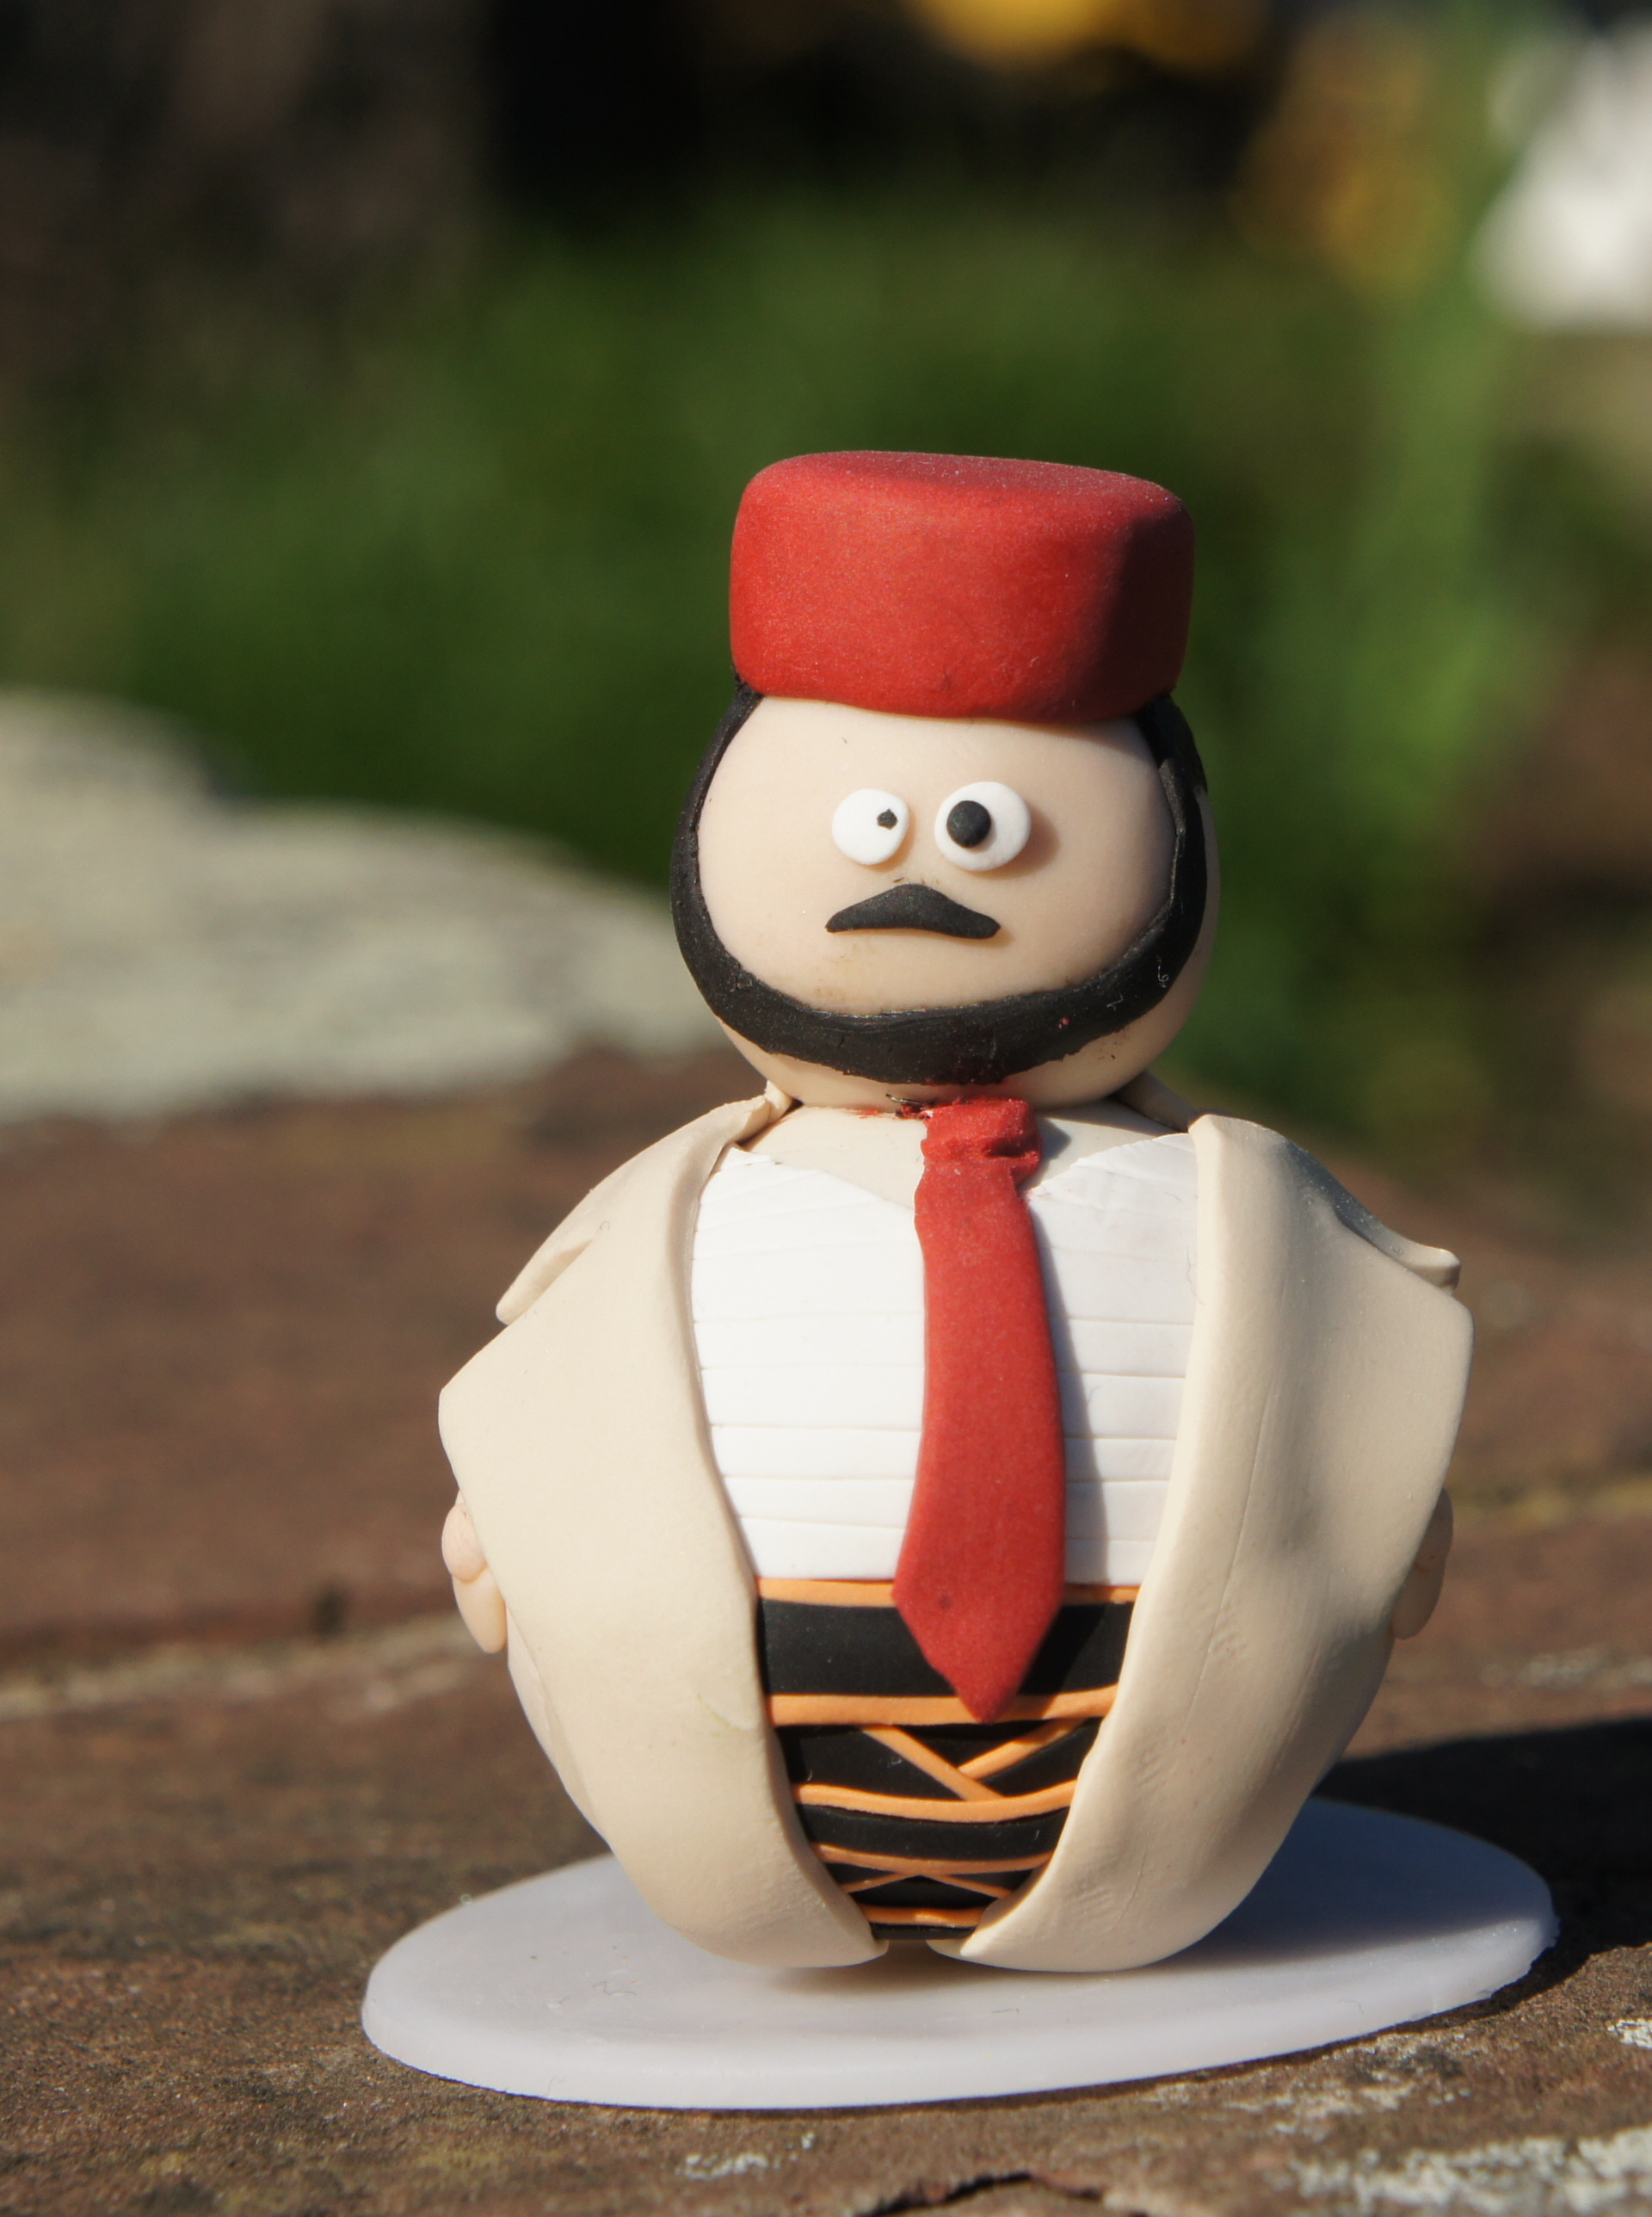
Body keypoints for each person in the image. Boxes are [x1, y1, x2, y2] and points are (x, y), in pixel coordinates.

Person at [435, 451, 1470, 1973]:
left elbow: (1355, 1400)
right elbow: (551, 1399)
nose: (919, 867)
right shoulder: (670, 1215)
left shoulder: (1249, 1212)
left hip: (1181, 1797)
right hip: (713, 1787)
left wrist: (1385, 1504)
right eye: (866, 819)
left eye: (987, 823)